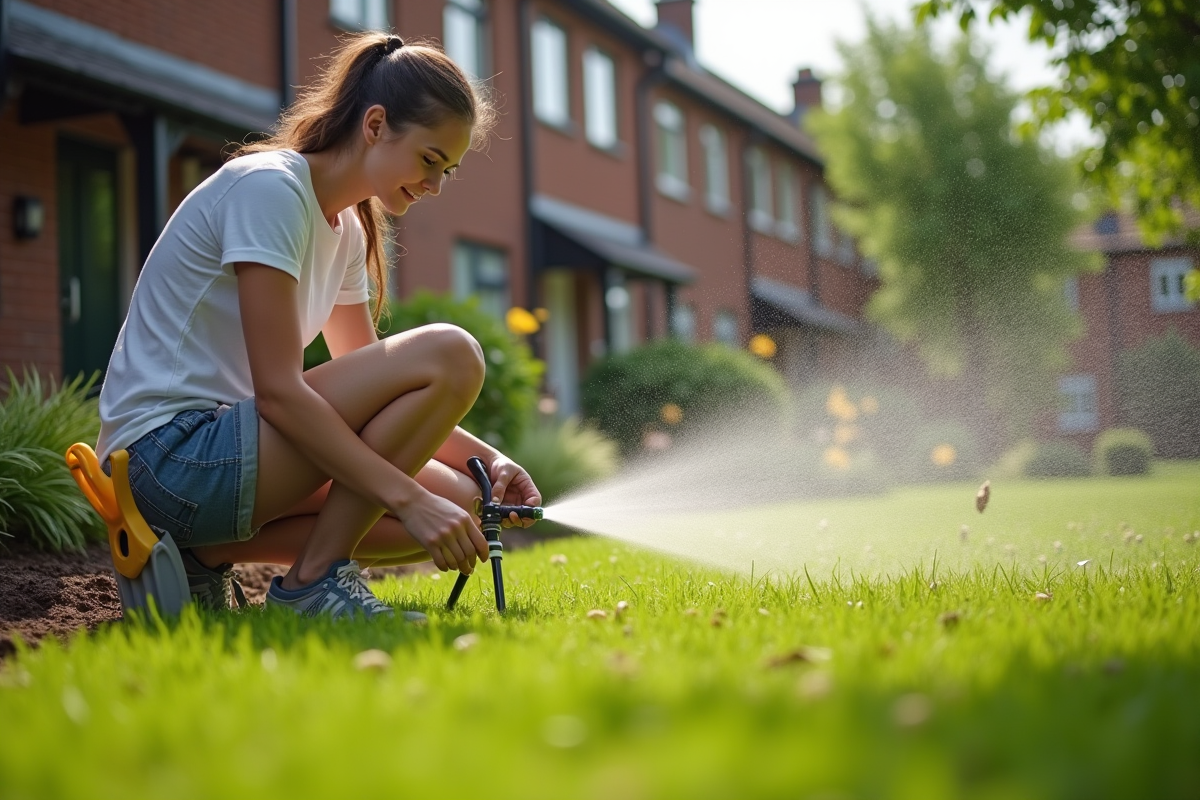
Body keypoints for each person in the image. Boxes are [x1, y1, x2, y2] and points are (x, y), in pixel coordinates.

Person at [96, 32, 540, 620]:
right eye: (430, 160)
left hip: (222, 453)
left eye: (448, 171)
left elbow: (381, 394)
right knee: (452, 355)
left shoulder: (347, 231)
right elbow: (281, 392)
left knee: (457, 498)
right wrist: (406, 497)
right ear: (376, 124)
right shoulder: (271, 190)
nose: (434, 185)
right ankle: (311, 585)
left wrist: (489, 463)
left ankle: (197, 559)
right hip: (165, 459)